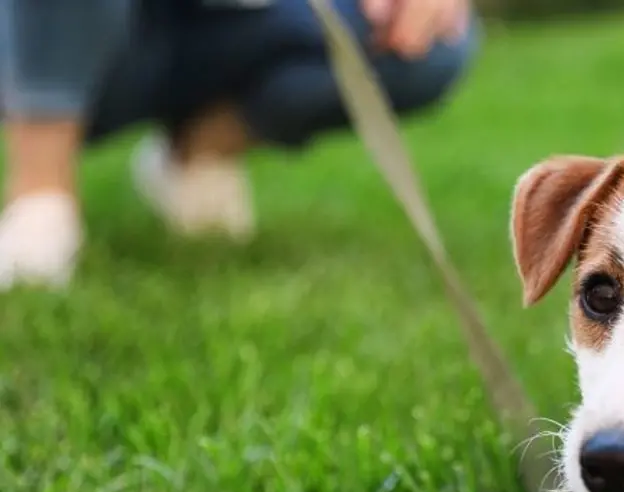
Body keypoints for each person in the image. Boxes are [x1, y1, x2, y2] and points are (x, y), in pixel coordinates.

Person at [0, 0, 478, 290]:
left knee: (434, 42)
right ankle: (41, 196)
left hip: (232, 24)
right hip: (58, 39)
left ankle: (195, 151)